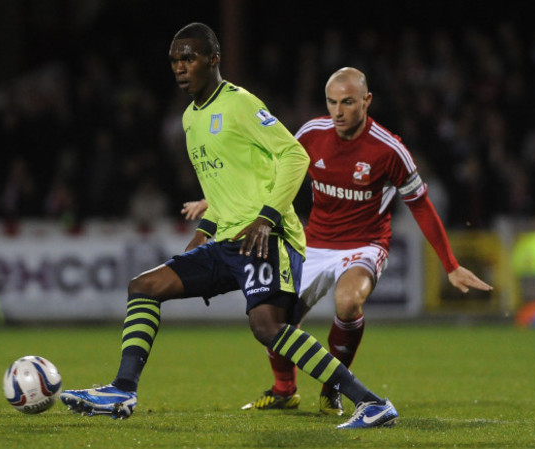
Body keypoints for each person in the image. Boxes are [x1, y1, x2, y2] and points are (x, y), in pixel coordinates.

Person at [60, 24, 397, 429]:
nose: (181, 67)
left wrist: (267, 218)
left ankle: (372, 402)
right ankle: (122, 389)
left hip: (267, 237)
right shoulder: (189, 119)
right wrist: (202, 235)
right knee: (144, 287)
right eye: (175, 60)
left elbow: (294, 157)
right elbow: (222, 191)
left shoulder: (239, 104)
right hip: (225, 240)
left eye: (190, 58)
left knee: (268, 328)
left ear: (213, 60)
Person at [181, 66, 493, 416]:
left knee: (347, 303)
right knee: (276, 315)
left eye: (347, 102)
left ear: (367, 101)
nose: (338, 111)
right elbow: (270, 169)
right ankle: (284, 390)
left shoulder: (389, 149)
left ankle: (332, 389)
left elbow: (420, 205)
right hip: (315, 243)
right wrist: (214, 201)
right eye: (332, 102)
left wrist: (450, 265)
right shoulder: (313, 134)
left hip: (365, 244)